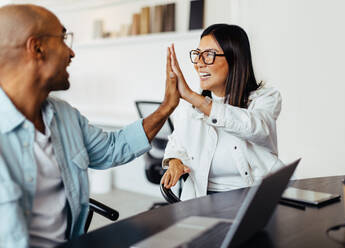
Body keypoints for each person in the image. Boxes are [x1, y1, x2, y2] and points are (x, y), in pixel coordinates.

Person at [0, 4, 179, 248]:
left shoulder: (65, 117)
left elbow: (113, 148)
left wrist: (166, 106)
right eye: (63, 38)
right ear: (37, 48)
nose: (71, 52)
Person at [162, 24, 284, 200]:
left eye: (209, 55)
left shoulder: (265, 98)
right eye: (198, 55)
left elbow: (256, 127)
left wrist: (191, 96)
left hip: (255, 200)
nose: (199, 64)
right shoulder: (191, 109)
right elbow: (175, 146)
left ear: (235, 59)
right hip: (203, 203)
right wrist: (175, 162)